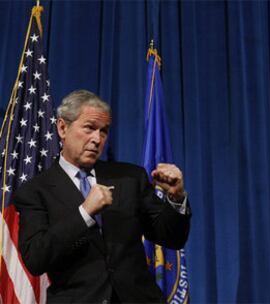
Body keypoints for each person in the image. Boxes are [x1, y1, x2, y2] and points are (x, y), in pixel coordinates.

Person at [13, 90, 191, 303]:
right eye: (89, 128)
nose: (97, 139)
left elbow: (171, 237)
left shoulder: (129, 178)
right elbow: (36, 258)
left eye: (104, 131)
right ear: (62, 128)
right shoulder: (35, 191)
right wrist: (84, 213)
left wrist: (176, 197)